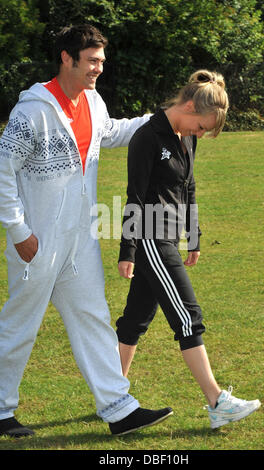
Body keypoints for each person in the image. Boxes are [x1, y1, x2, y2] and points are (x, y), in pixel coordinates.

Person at [0, 24, 173, 438]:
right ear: (67, 58)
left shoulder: (93, 102)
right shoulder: (32, 111)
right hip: (36, 242)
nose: (99, 68)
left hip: (80, 239)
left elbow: (110, 133)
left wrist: (164, 119)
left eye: (101, 60)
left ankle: (118, 407)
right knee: (21, 325)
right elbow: (3, 171)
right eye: (92, 60)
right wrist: (19, 230)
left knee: (94, 318)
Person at [116, 70, 261, 430]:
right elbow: (134, 196)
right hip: (149, 237)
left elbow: (188, 187)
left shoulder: (185, 139)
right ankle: (217, 402)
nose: (199, 134)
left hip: (169, 237)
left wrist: (193, 235)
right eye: (200, 127)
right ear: (189, 105)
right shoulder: (147, 137)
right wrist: (127, 250)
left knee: (135, 319)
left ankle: (110, 395)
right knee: (186, 314)